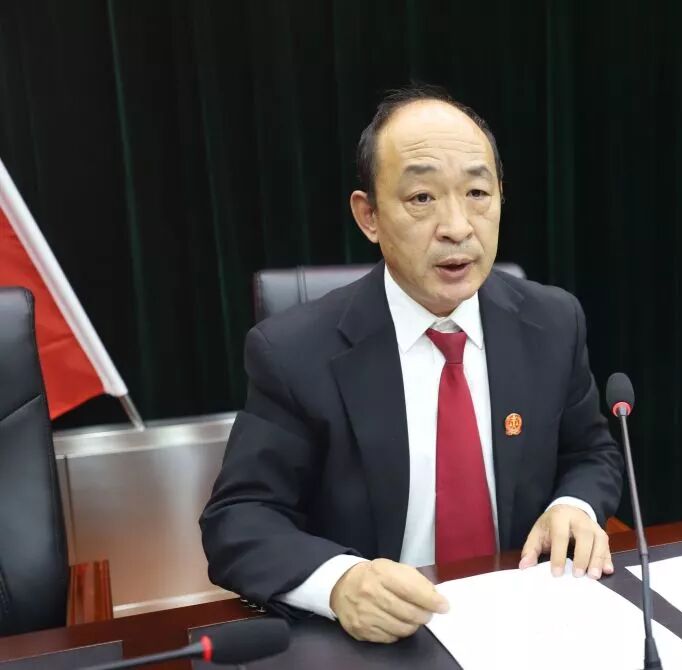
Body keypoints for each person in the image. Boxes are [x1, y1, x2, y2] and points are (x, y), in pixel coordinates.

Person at [200, 85, 624, 644]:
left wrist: (575, 504)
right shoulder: (294, 352)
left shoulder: (553, 321)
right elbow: (239, 518)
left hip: (523, 619)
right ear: (369, 216)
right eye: (422, 197)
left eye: (477, 192)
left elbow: (591, 452)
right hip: (379, 638)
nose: (457, 226)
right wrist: (339, 582)